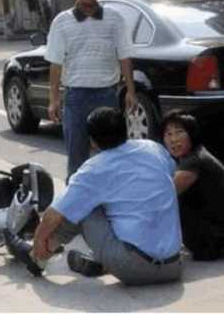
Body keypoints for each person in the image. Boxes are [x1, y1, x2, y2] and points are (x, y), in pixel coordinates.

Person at [28, 107, 182, 285]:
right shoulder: (154, 149)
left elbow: (53, 216)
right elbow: (171, 173)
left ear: (92, 141)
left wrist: (38, 239)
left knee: (82, 207)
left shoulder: (94, 169)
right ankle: (98, 262)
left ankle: (37, 257)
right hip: (173, 266)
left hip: (133, 267)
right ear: (126, 129)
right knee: (113, 202)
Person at [45, 0, 137, 179]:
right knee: (77, 157)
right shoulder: (61, 22)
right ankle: (76, 209)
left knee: (111, 155)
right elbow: (56, 64)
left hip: (107, 94)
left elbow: (124, 56)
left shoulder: (115, 19)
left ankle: (112, 204)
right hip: (76, 97)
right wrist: (54, 99)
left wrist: (131, 91)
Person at [162, 110, 224, 261]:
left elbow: (162, 197)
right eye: (168, 134)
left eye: (179, 132)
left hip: (214, 241)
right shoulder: (196, 154)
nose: (174, 139)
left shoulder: (193, 161)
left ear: (192, 134)